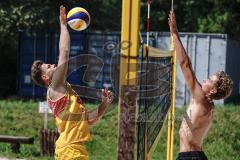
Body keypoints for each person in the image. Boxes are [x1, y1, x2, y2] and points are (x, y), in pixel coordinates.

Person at [31, 6, 113, 160]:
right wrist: (63, 25)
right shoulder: (55, 87)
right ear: (45, 78)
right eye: (49, 67)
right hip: (70, 151)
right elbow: (65, 52)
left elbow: (89, 120)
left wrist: (103, 105)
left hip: (74, 150)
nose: (53, 65)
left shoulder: (66, 90)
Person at [168, 11, 233, 160]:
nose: (205, 80)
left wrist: (175, 33)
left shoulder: (201, 98)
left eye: (210, 79)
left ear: (213, 89)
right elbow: (190, 125)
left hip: (190, 157)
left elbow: (185, 64)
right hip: (193, 155)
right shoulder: (206, 103)